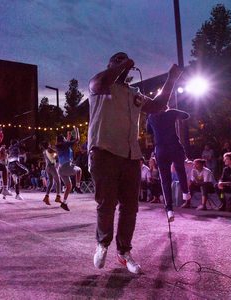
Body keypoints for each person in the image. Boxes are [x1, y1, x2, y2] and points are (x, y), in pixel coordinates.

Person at [88, 51, 182, 274]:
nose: (123, 63)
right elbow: (101, 81)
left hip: (131, 155)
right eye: (117, 60)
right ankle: (102, 244)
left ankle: (124, 252)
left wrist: (171, 79)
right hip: (104, 151)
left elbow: (158, 105)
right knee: (107, 203)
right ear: (110, 64)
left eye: (125, 61)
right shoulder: (99, 85)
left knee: (130, 207)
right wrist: (120, 66)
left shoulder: (135, 94)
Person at [147, 107, 191, 221]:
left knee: (165, 181)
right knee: (180, 169)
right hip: (174, 146)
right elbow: (186, 115)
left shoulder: (151, 117)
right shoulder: (171, 113)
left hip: (161, 149)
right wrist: (175, 114)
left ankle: (169, 210)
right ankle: (186, 193)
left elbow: (148, 131)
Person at [56, 127, 83, 211]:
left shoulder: (60, 146)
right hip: (67, 166)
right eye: (64, 138)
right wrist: (77, 131)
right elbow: (77, 139)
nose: (66, 139)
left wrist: (68, 136)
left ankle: (64, 203)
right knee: (79, 170)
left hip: (61, 170)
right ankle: (78, 187)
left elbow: (67, 142)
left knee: (68, 186)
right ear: (63, 140)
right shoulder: (65, 144)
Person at [41, 141, 61, 206]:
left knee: (51, 183)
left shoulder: (44, 152)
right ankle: (58, 196)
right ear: (48, 145)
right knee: (58, 181)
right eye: (49, 144)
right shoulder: (49, 149)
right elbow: (56, 154)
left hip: (47, 168)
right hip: (52, 167)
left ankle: (46, 197)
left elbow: (54, 156)